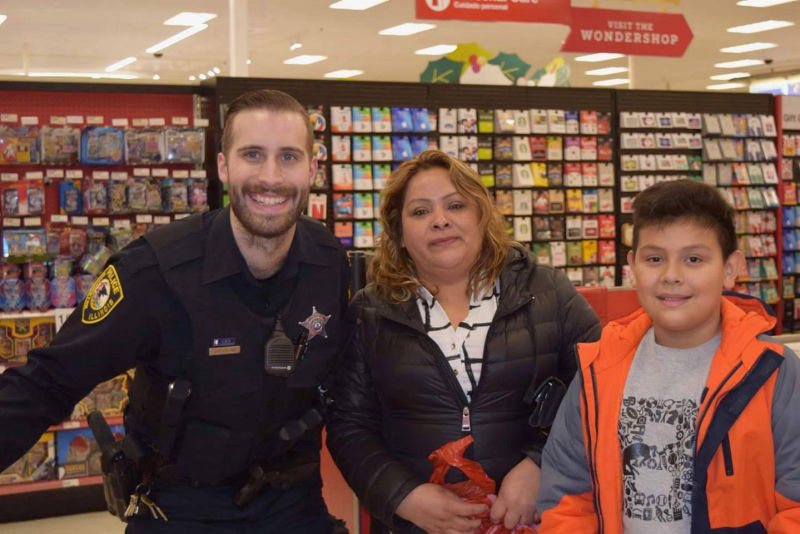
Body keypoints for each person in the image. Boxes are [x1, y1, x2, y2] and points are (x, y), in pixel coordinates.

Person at [0, 89, 350, 533]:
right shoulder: (153, 271)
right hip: (180, 508)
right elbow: (47, 381)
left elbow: (350, 391)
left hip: (293, 505)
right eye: (252, 155)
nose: (270, 177)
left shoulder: (329, 262)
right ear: (223, 167)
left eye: (288, 157)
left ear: (312, 169)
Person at [327, 149, 601, 534]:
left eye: (455, 205)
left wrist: (541, 463)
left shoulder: (548, 292)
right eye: (420, 211)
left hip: (536, 522)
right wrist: (403, 497)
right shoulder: (370, 312)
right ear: (399, 233)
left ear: (481, 216)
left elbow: (600, 389)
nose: (440, 220)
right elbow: (349, 424)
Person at [537, 179, 800, 532]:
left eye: (693, 259)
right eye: (654, 259)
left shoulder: (772, 370)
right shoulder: (599, 368)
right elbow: (566, 494)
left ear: (729, 269)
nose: (671, 275)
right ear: (632, 266)